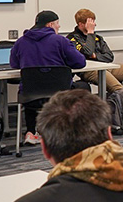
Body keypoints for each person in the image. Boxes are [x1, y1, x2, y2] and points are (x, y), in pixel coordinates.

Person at [66, 8, 123, 127]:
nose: (94, 24)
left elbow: (109, 56)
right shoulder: (72, 39)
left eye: (93, 21)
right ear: (80, 24)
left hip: (107, 67)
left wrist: (94, 55)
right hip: (90, 71)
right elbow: (88, 51)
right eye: (90, 22)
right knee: (117, 87)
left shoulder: (97, 37)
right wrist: (90, 34)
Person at [10, 10, 86, 146]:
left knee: (31, 89)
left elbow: (14, 64)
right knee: (83, 86)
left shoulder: (21, 42)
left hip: (30, 97)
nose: (59, 27)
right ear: (50, 24)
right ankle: (73, 132)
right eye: (58, 23)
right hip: (60, 96)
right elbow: (80, 62)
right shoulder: (61, 41)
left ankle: (30, 132)